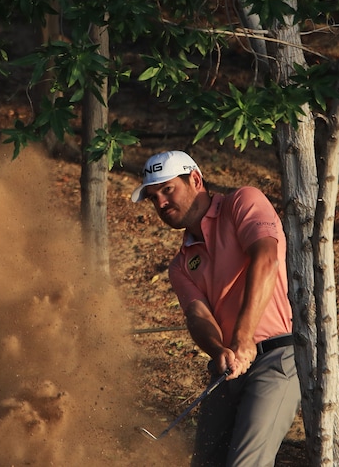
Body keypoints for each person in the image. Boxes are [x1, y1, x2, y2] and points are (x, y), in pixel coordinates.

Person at [130, 150, 300, 467]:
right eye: (154, 197)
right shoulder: (180, 265)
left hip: (278, 358)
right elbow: (198, 315)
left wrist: (244, 337)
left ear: (195, 179)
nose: (161, 204)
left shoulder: (243, 202)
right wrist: (218, 349)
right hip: (227, 370)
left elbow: (266, 259)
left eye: (168, 189)